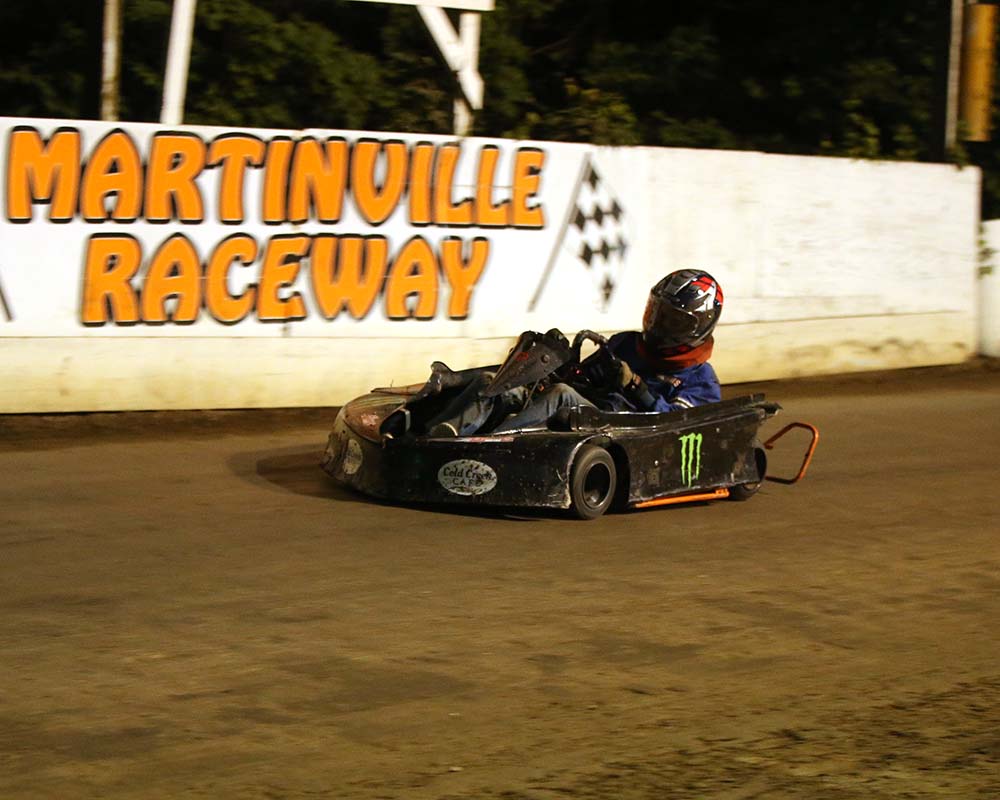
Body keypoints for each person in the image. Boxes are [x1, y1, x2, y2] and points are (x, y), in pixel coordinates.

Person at [427, 269, 724, 436]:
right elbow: (578, 376)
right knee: (498, 384)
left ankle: (490, 444)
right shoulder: (627, 343)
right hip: (589, 411)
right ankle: (443, 434)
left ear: (700, 326)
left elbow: (678, 425)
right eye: (657, 313)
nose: (659, 324)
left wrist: (636, 387)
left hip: (626, 431)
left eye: (672, 320)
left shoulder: (700, 379)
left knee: (560, 394)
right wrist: (562, 364)